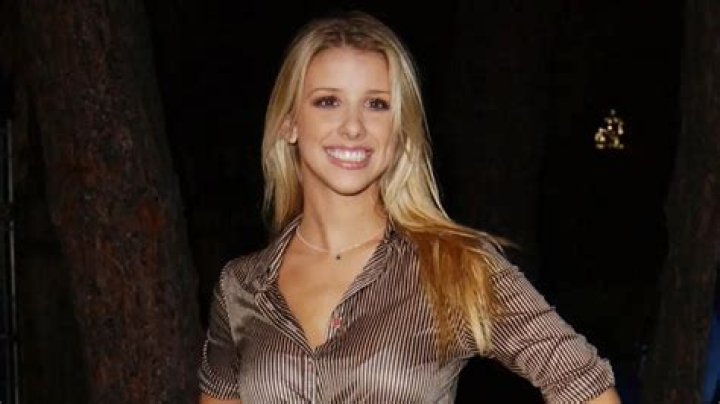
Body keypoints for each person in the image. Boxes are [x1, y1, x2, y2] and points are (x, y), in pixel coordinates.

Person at [199, 11, 621, 404]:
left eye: (377, 104)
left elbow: (584, 384)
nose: (353, 126)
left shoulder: (453, 267)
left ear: (400, 131)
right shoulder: (241, 286)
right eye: (328, 101)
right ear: (290, 123)